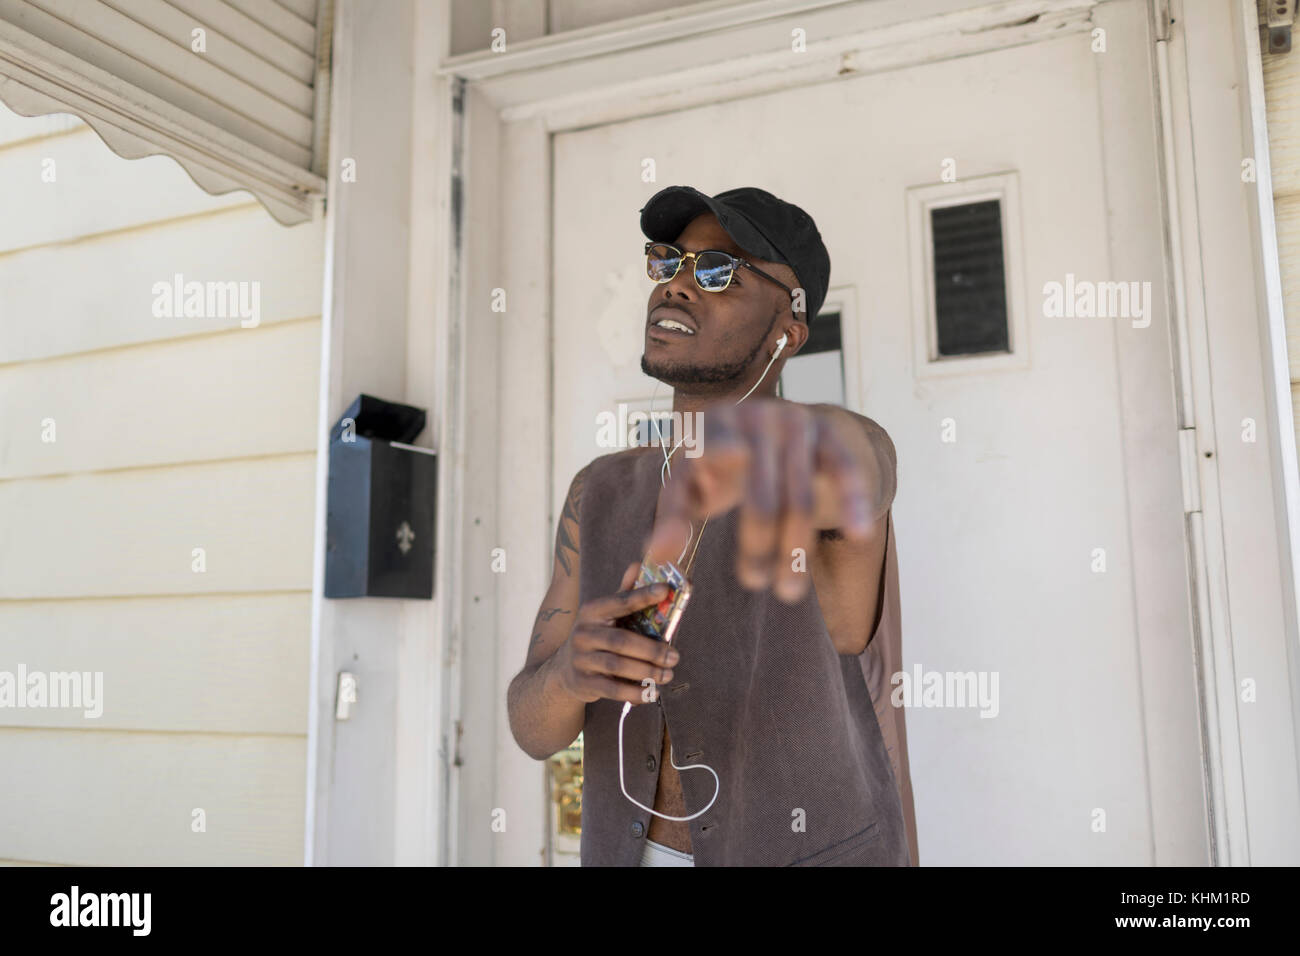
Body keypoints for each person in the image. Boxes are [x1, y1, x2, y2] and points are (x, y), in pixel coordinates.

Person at [506, 185, 917, 866]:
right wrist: (570, 676)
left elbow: (861, 464)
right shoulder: (599, 491)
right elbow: (532, 728)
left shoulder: (820, 461)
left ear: (788, 329)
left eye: (718, 271)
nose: (678, 286)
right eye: (667, 263)